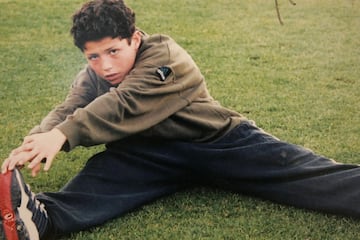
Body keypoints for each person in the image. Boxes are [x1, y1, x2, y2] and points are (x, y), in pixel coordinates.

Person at [0, 0, 359, 239]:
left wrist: (63, 135)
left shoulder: (164, 57)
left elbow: (123, 104)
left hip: (218, 143)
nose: (105, 65)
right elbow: (72, 105)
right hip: (146, 155)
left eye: (113, 51)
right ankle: (37, 219)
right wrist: (35, 140)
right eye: (93, 57)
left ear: (135, 39)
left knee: (308, 176)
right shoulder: (95, 73)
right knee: (94, 184)